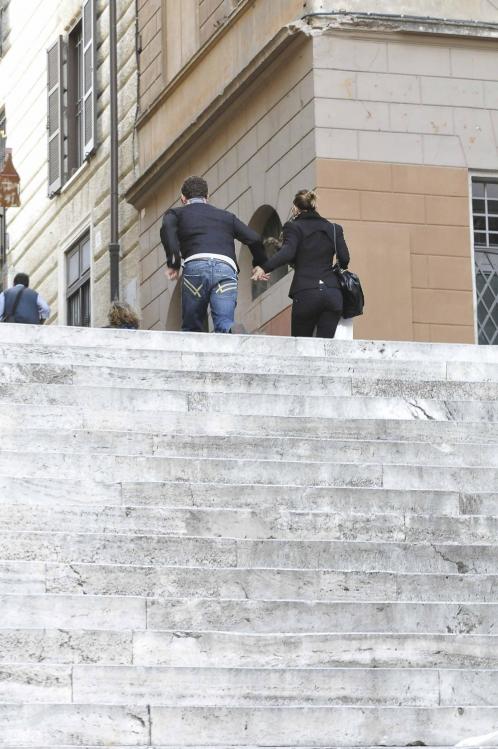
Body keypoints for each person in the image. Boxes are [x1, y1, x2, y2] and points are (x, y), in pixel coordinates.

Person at [160, 175, 267, 333]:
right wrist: (260, 264)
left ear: (183, 198)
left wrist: (173, 263)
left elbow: (167, 232)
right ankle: (231, 329)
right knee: (224, 321)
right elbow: (254, 238)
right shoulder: (226, 217)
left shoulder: (175, 214)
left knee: (192, 326)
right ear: (207, 197)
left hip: (196, 266)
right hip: (225, 269)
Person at [252, 190, 350, 338]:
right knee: (324, 347)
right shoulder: (334, 228)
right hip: (332, 293)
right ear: (314, 206)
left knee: (301, 346)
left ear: (295, 208)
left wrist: (264, 267)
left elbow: (288, 252)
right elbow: (344, 258)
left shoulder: (293, 227)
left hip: (306, 293)